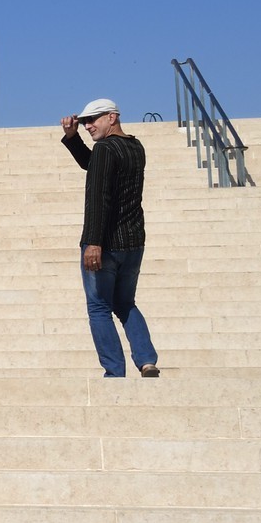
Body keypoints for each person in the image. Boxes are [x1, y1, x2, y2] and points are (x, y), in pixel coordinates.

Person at [60, 98, 160, 377]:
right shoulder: (135, 146)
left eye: (93, 120)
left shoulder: (104, 148)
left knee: (99, 308)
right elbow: (95, 167)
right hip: (133, 242)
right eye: (84, 122)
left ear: (112, 117)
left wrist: (93, 242)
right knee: (125, 303)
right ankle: (147, 360)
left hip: (105, 244)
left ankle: (114, 372)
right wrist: (73, 138)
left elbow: (98, 197)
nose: (88, 126)